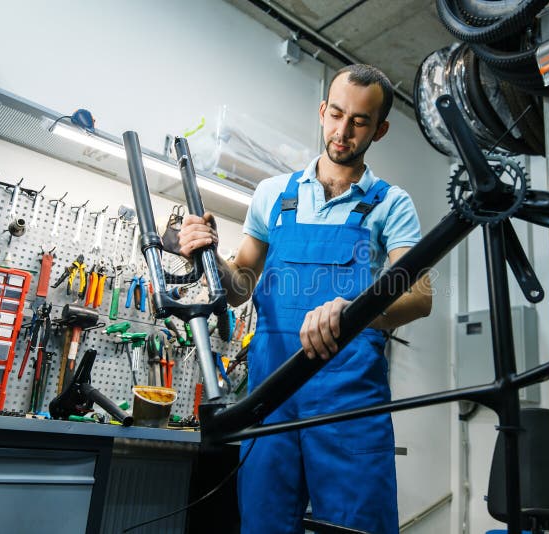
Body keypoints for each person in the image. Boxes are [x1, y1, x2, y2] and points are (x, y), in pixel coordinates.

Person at [178, 64, 432, 534]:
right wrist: (211, 254)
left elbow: (419, 296)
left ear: (381, 129)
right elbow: (239, 291)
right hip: (270, 396)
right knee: (264, 525)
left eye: (359, 121)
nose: (343, 130)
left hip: (348, 402)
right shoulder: (272, 195)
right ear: (322, 111)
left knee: (358, 527)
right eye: (336, 114)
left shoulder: (391, 203)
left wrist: (355, 312)